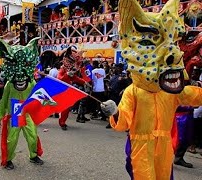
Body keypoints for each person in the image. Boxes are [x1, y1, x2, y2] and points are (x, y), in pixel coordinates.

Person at [100, 0, 202, 179]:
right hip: (140, 145)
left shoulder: (171, 91)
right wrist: (115, 112)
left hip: (164, 146)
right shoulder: (134, 91)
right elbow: (124, 119)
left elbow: (193, 95)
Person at [0, 37, 43, 170]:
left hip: (27, 113)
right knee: (12, 139)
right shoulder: (9, 85)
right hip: (15, 112)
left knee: (33, 136)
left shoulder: (32, 83)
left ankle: (33, 156)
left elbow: (39, 97)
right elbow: (4, 100)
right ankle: (8, 159)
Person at [57, 47, 91, 130]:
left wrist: (85, 82)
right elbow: (59, 79)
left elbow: (75, 78)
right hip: (61, 91)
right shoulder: (62, 69)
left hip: (68, 91)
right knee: (64, 108)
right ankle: (62, 123)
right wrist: (67, 75)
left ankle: (63, 121)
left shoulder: (71, 71)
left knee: (67, 108)